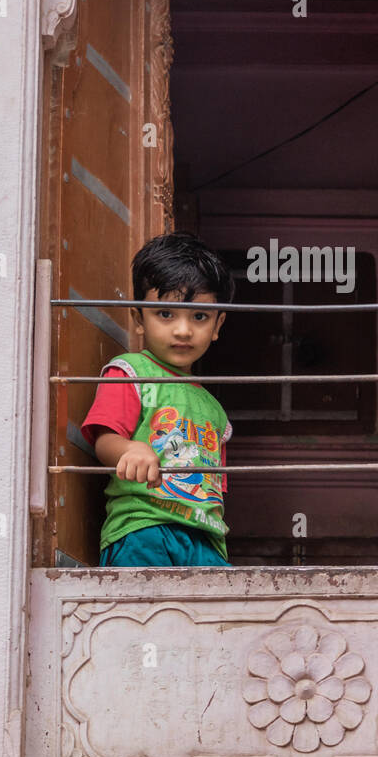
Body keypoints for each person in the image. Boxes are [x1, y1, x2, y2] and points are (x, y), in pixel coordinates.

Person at [81, 232, 235, 566]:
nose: (183, 330)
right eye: (165, 314)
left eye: (199, 316)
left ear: (218, 324)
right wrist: (130, 449)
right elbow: (104, 440)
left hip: (205, 540)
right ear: (138, 319)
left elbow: (218, 491)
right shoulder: (130, 373)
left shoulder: (216, 412)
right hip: (142, 528)